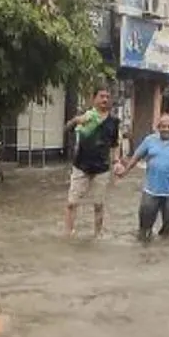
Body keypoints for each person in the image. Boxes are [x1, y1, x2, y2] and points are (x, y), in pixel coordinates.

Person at [115, 113, 169, 242]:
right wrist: (125, 172)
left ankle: (163, 256)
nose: (166, 129)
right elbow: (136, 157)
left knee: (168, 229)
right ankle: (144, 253)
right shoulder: (149, 140)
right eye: (163, 126)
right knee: (144, 228)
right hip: (151, 190)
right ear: (158, 127)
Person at [64, 87, 121, 237]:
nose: (105, 100)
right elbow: (66, 129)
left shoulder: (113, 121)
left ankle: (97, 235)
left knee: (98, 204)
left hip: (102, 168)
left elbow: (115, 144)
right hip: (80, 166)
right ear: (93, 98)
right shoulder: (85, 116)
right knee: (71, 203)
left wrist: (116, 161)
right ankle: (69, 234)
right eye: (102, 96)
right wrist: (77, 120)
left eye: (108, 97)